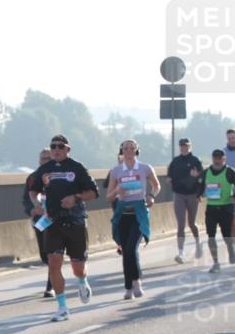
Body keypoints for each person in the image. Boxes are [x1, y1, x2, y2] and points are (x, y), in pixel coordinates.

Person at [28, 135, 100, 322]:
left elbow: (94, 192)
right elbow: (33, 190)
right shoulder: (45, 170)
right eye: (53, 146)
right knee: (54, 262)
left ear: (68, 149)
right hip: (52, 221)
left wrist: (75, 198)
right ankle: (62, 307)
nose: (56, 149)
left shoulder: (77, 168)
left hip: (75, 221)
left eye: (61, 146)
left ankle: (83, 282)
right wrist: (37, 203)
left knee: (78, 266)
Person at [106, 140, 161, 299]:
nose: (129, 151)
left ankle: (137, 282)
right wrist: (117, 190)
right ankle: (128, 287)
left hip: (139, 213)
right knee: (125, 250)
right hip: (123, 214)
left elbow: (156, 186)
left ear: (137, 150)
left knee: (131, 248)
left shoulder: (145, 168)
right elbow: (108, 197)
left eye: (132, 148)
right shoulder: (116, 171)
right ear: (121, 151)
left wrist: (151, 196)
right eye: (125, 148)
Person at [21, 148, 54, 297]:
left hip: (56, 219)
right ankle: (55, 274)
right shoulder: (33, 178)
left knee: (53, 252)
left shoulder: (59, 176)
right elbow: (26, 199)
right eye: (43, 159)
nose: (45, 161)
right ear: (39, 161)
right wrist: (32, 210)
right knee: (44, 255)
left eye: (48, 159)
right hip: (40, 220)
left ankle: (51, 286)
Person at [166, 137, 204, 263]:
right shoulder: (175, 161)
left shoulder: (195, 160)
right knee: (180, 224)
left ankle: (198, 243)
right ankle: (181, 253)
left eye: (186, 145)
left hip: (192, 194)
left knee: (191, 223)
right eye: (182, 146)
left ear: (190, 146)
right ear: (179, 147)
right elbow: (169, 174)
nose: (184, 147)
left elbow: (202, 178)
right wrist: (169, 179)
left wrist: (197, 176)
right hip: (179, 195)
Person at [197, 149, 235, 273]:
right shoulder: (206, 172)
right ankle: (216, 263)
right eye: (215, 158)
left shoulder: (230, 172)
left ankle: (231, 251)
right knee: (211, 236)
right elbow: (200, 185)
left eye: (220, 158)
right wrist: (199, 195)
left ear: (224, 159)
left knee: (227, 235)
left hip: (226, 208)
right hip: (212, 208)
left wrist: (234, 196)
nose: (217, 160)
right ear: (212, 158)